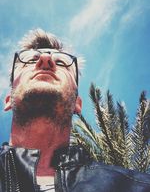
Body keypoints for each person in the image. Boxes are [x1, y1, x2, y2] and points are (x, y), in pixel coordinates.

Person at [0, 28, 150, 192]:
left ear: (77, 104)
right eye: (29, 60)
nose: (45, 59)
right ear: (8, 101)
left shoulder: (137, 186)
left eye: (61, 63)